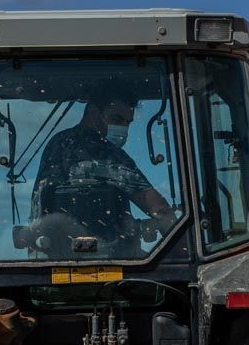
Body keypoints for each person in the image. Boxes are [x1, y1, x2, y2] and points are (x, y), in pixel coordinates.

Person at [31, 88, 174, 252]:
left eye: (127, 123)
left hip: (58, 252)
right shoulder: (106, 153)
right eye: (116, 119)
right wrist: (181, 246)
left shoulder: (57, 143)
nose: (122, 128)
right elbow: (158, 208)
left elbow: (39, 205)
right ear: (93, 112)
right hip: (103, 252)